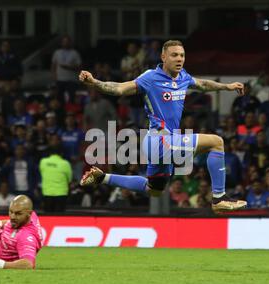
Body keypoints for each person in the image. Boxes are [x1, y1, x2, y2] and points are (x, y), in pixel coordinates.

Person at [79, 40, 247, 212]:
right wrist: (95, 83)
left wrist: (227, 86)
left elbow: (203, 84)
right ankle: (219, 197)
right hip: (159, 141)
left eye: (182, 55)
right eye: (174, 55)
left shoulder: (183, 77)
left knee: (154, 190)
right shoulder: (150, 77)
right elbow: (120, 89)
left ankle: (102, 177)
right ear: (163, 57)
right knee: (216, 142)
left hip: (164, 142)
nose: (179, 59)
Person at [39, 146, 72, 213]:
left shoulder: (43, 162)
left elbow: (41, 173)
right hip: (61, 194)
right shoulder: (65, 163)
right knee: (59, 217)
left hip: (47, 193)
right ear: (61, 154)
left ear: (50, 153)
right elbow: (69, 179)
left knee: (48, 217)